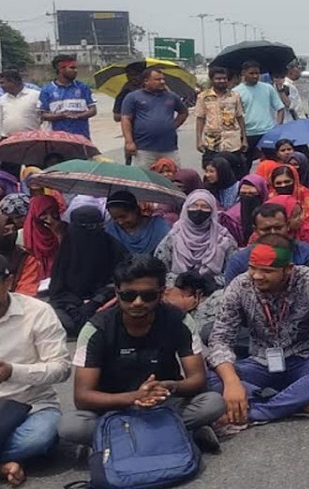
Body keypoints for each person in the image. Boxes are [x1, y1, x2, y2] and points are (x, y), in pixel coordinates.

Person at [60, 255, 224, 452]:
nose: (137, 302)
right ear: (117, 292)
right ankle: (177, 434)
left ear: (161, 292)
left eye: (148, 296)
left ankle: (116, 440)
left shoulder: (179, 321)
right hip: (114, 408)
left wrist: (169, 386)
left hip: (163, 402)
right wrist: (134, 397)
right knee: (71, 426)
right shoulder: (96, 329)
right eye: (128, 295)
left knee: (213, 403)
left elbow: (197, 379)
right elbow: (83, 397)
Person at [206, 235, 309, 426]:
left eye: (266, 271)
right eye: (252, 268)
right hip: (261, 361)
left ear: (288, 269)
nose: (257, 276)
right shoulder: (240, 286)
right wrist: (232, 382)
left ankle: (251, 412)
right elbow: (220, 339)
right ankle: (297, 405)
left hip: (306, 359)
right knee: (211, 377)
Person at [0, 254, 71, 486]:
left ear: (8, 281)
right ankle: (5, 465)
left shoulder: (38, 312)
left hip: (32, 405)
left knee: (38, 437)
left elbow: (61, 369)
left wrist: (13, 371)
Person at [224, 204, 309, 285]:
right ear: (255, 230)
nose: (273, 233)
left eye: (278, 228)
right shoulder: (239, 261)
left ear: (287, 226)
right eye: (266, 229)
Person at [154, 190, 237, 284]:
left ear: (213, 211)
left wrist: (207, 283)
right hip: (176, 288)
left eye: (205, 207)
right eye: (194, 206)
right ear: (186, 208)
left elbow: (232, 273)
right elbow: (160, 271)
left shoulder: (223, 238)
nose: (199, 210)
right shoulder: (173, 237)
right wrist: (180, 281)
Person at [37, 54, 96, 139]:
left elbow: (93, 110)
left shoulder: (83, 87)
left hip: (82, 138)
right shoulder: (47, 90)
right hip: (58, 139)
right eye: (72, 68)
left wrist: (78, 115)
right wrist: (62, 115)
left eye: (76, 68)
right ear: (61, 69)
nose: (76, 71)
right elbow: (42, 115)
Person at [233, 61, 285, 157]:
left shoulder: (268, 88)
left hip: (267, 132)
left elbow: (280, 108)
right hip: (248, 134)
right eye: (251, 73)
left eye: (257, 73)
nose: (255, 76)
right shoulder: (236, 92)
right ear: (244, 73)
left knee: (271, 160)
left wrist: (278, 127)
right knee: (246, 162)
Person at [195, 66, 247, 158]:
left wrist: (244, 139)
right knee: (212, 166)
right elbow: (200, 119)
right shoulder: (203, 97)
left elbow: (240, 117)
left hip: (233, 143)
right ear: (212, 80)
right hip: (212, 144)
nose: (222, 81)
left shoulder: (235, 96)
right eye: (218, 79)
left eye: (224, 78)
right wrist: (199, 140)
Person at [103, 190, 170, 256]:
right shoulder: (111, 229)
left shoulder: (159, 227)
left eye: (123, 216)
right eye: (115, 218)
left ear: (136, 209)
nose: (120, 222)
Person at [219, 174, 268, 247]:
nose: (247, 197)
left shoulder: (273, 212)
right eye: (243, 194)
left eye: (252, 194)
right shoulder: (230, 219)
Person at [22, 195, 61, 283]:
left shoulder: (64, 232)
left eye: (53, 213)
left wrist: (59, 236)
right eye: (43, 214)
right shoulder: (23, 237)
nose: (50, 220)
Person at [0, 69, 43, 138]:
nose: (1, 86)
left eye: (2, 83)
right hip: (8, 139)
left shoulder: (36, 95)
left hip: (31, 139)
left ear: (13, 82)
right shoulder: (2, 100)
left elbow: (43, 117)